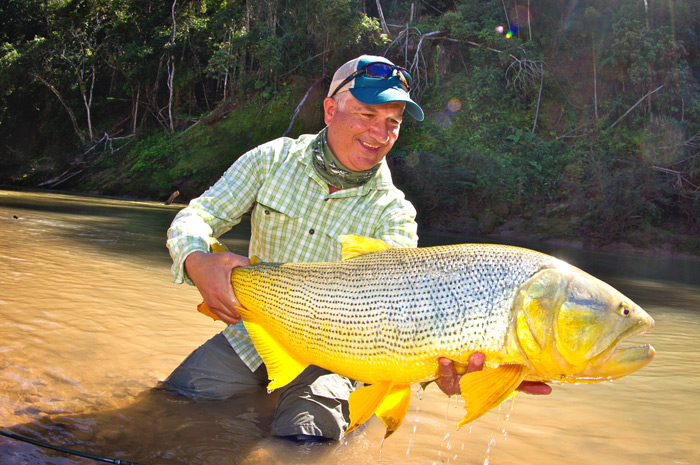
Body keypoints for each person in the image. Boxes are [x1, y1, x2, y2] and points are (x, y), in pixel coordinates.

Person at [163, 55, 549, 443]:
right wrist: (196, 259)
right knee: (167, 407)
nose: (379, 134)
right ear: (331, 110)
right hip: (256, 333)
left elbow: (403, 319)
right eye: (366, 115)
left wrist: (453, 369)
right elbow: (199, 215)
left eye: (392, 123)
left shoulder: (395, 214)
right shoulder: (270, 161)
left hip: (340, 358)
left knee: (304, 441)